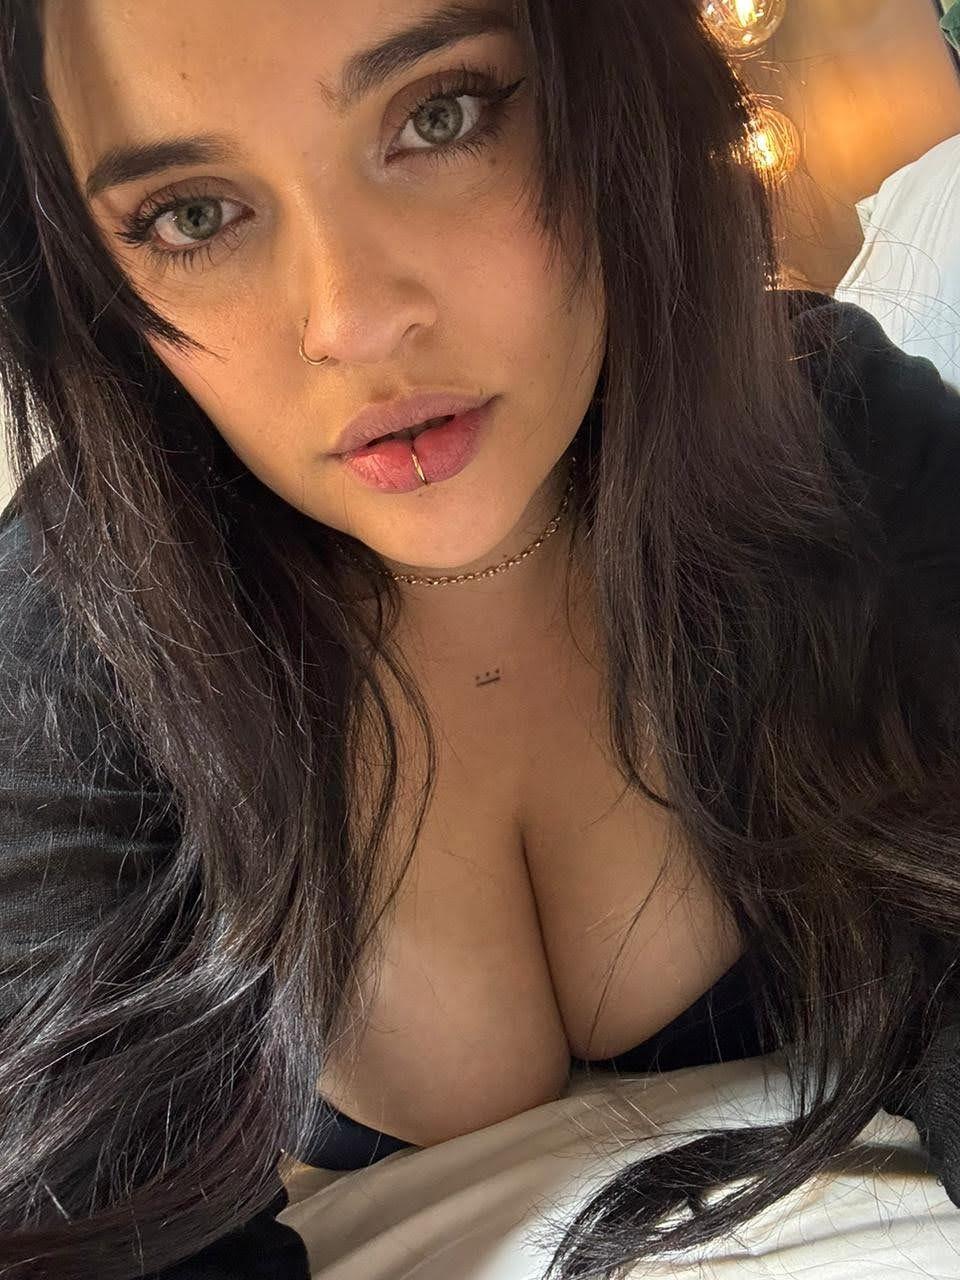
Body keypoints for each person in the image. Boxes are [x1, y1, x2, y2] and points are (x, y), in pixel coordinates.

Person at [0, 0, 957, 1275]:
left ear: (608, 92)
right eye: (191, 213)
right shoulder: (77, 629)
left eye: (440, 117)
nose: (352, 321)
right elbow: (80, 1220)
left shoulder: (840, 436)